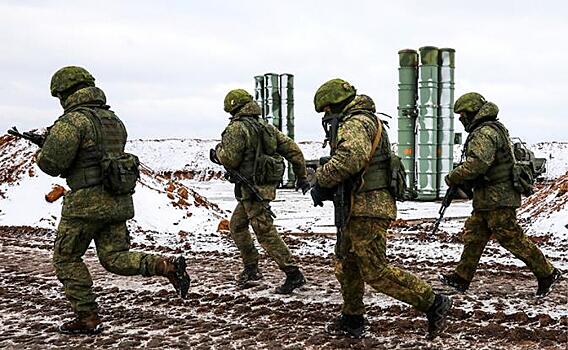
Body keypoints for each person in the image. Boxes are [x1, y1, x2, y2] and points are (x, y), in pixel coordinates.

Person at [36, 66, 191, 335]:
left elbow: (52, 164)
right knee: (114, 257)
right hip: (117, 200)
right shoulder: (113, 120)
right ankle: (166, 266)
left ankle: (87, 317)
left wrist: (42, 150)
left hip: (85, 204)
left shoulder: (72, 122)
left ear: (64, 92)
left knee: (67, 257)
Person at [310, 78, 451, 339]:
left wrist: (321, 179)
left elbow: (350, 158)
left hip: (368, 207)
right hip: (356, 206)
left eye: (327, 110)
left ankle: (433, 302)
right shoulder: (361, 120)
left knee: (375, 269)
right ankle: (353, 318)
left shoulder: (355, 122)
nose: (326, 116)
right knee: (346, 264)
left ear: (336, 105)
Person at [440, 92, 561, 296]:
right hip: (489, 197)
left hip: (498, 197)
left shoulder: (484, 132)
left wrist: (453, 176)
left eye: (462, 114)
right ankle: (461, 278)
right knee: (475, 236)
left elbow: (477, 164)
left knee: (511, 237)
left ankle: (547, 273)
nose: (461, 119)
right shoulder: (492, 128)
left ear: (472, 112)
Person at [212, 89, 310, 294]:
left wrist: (217, 152)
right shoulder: (266, 127)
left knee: (265, 232)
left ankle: (293, 274)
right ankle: (251, 269)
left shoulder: (237, 128)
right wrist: (301, 177)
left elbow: (229, 159)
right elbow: (294, 151)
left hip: (252, 189)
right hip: (261, 188)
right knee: (237, 226)